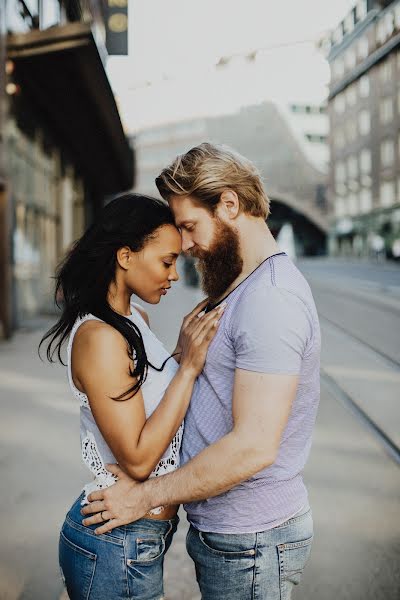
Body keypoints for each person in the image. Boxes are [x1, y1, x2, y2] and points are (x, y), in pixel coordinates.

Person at [82, 144, 321, 600]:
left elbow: (253, 446)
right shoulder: (241, 285)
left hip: (251, 538)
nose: (185, 245)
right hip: (234, 536)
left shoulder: (270, 299)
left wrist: (144, 495)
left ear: (229, 204)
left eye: (190, 227)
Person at [40, 193, 224, 600]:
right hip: (115, 546)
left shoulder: (131, 319)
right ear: (125, 256)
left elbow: (150, 392)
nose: (174, 275)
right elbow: (139, 458)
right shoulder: (100, 338)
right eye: (166, 261)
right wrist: (189, 367)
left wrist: (178, 353)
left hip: (134, 540)